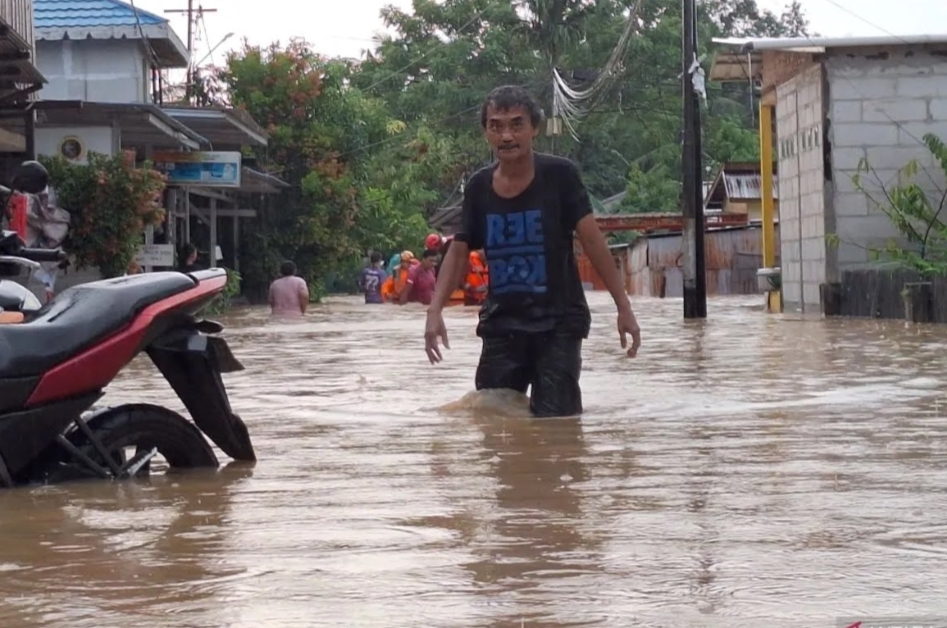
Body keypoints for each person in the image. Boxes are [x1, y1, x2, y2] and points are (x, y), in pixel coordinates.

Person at [423, 84, 642, 418]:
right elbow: (459, 250)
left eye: (516, 124)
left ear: (534, 128)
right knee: (492, 419)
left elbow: (593, 240)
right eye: (496, 126)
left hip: (559, 324)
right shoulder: (480, 187)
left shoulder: (560, 176)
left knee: (557, 425)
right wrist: (434, 311)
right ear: (486, 133)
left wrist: (623, 306)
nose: (507, 136)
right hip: (502, 324)